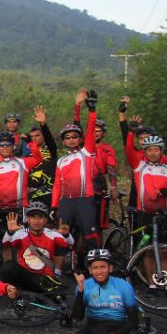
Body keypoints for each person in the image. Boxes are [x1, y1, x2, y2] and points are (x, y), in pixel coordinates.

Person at [33, 248, 158, 334]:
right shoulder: (85, 285)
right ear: (90, 270)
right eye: (95, 268)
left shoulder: (123, 286)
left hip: (118, 328)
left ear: (110, 268)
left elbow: (133, 321)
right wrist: (81, 291)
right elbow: (77, 317)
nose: (99, 271)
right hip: (94, 328)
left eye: (103, 267)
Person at [52, 89, 100, 274]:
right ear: (63, 142)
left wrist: (91, 111)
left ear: (80, 139)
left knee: (90, 236)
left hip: (84, 199)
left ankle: (94, 269)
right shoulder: (61, 160)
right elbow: (57, 184)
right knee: (62, 236)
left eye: (74, 137)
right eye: (67, 138)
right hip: (66, 201)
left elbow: (88, 129)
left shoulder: (86, 152)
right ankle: (58, 272)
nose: (71, 141)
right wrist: (54, 205)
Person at [0, 204, 73, 292]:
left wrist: (66, 235)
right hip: (26, 277)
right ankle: (8, 294)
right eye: (33, 217)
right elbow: (6, 245)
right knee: (8, 267)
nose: (36, 221)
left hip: (45, 279)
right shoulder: (21, 234)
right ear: (27, 219)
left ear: (45, 220)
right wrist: (10, 232)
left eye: (40, 217)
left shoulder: (52, 234)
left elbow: (71, 244)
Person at [0, 131, 43, 215]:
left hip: (20, 207)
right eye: (1, 145)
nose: (5, 147)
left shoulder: (23, 162)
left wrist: (30, 142)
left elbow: (38, 159)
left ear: (13, 146)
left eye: (8, 144)